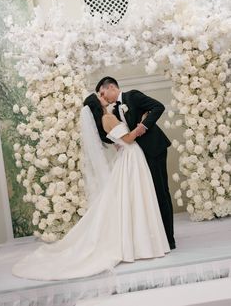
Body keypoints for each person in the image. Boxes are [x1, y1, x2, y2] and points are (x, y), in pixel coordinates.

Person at [12, 93, 170, 281]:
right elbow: (127, 139)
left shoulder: (105, 118)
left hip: (128, 157)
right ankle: (142, 243)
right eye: (100, 96)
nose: (103, 96)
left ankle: (137, 242)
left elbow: (117, 140)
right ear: (97, 103)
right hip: (131, 156)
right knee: (136, 197)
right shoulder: (108, 117)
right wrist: (140, 126)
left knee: (131, 198)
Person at [96, 77, 175, 250]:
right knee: (150, 195)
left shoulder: (132, 96)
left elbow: (158, 107)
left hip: (154, 149)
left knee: (161, 192)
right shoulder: (114, 111)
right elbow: (121, 133)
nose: (103, 97)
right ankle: (157, 237)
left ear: (111, 87)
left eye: (103, 93)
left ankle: (169, 239)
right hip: (138, 156)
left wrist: (144, 126)